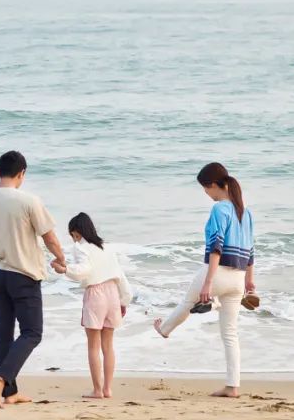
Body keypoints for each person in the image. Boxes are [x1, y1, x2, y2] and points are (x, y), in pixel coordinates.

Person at [0, 150, 67, 409]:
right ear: (22, 173)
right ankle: (0, 377)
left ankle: (9, 393)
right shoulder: (29, 201)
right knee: (32, 332)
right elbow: (49, 237)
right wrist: (61, 258)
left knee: (3, 334)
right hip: (24, 275)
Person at [153, 162, 256, 398]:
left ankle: (165, 329)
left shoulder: (220, 209)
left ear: (212, 185)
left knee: (188, 302)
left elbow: (216, 247)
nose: (206, 193)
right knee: (230, 334)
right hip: (238, 278)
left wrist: (209, 283)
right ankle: (232, 386)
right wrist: (250, 282)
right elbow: (251, 251)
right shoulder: (246, 212)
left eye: (205, 188)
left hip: (219, 272)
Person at [52, 212, 133, 400]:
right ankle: (108, 389)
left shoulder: (81, 247)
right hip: (113, 293)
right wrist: (124, 300)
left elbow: (83, 270)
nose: (73, 239)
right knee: (108, 346)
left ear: (76, 232)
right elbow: (121, 276)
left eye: (73, 235)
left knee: (93, 347)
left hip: (96, 294)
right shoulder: (107, 247)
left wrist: (64, 269)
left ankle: (97, 390)